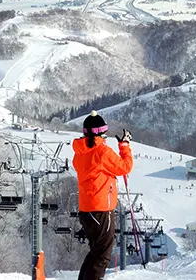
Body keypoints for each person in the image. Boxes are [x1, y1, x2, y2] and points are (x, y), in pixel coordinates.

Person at [72, 111, 133, 280]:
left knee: (96, 251)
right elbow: (125, 167)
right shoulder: (102, 152)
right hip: (101, 208)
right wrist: (125, 146)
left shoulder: (79, 153)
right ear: (101, 132)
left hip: (87, 209)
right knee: (102, 254)